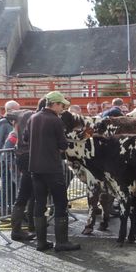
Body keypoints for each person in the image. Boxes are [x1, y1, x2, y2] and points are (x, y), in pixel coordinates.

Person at [25, 91, 80, 252]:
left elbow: (26, 138)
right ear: (55, 104)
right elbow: (63, 145)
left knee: (39, 203)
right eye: (62, 105)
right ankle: (61, 242)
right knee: (60, 203)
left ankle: (41, 242)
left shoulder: (33, 118)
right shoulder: (55, 120)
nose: (62, 108)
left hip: (35, 167)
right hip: (52, 168)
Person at [9, 99, 46, 241]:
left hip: (21, 155)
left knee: (27, 193)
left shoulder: (24, 114)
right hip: (29, 156)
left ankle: (24, 227)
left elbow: (8, 114)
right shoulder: (36, 118)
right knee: (26, 194)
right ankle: (18, 230)